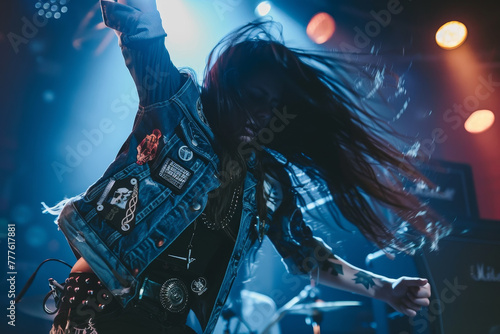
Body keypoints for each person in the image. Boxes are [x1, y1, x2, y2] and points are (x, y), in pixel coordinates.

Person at [45, 0, 450, 333]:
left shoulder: (268, 184)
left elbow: (306, 255)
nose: (263, 115)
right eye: (255, 97)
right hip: (104, 302)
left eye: (275, 107)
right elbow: (139, 27)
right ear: (228, 84)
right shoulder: (175, 106)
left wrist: (386, 289)